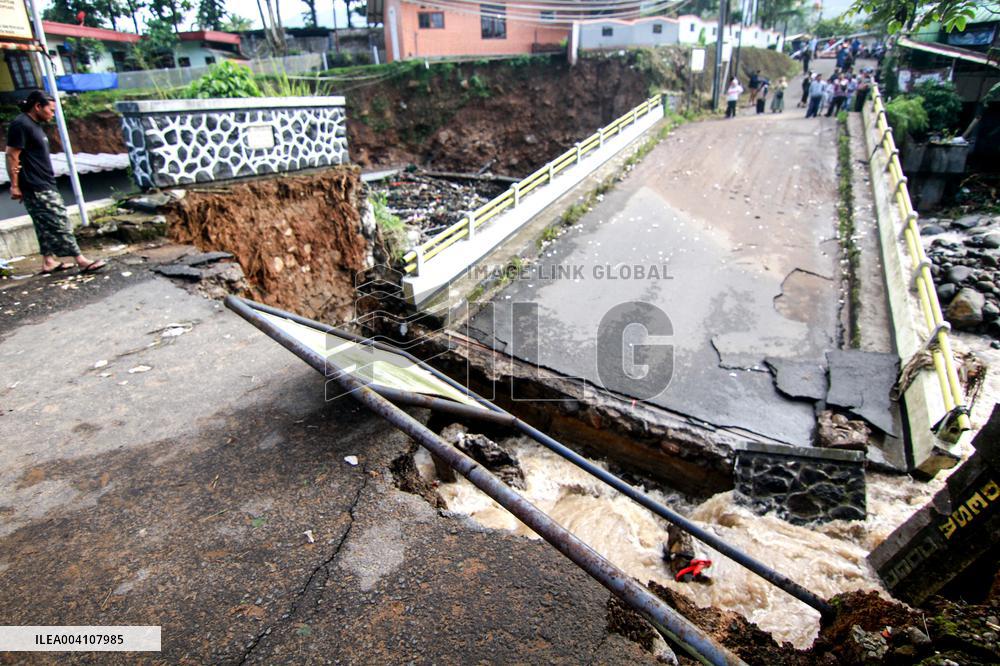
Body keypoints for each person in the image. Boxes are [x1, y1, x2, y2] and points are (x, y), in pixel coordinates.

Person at [6, 90, 105, 275]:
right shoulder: (21, 124)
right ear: (37, 106)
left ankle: (48, 261)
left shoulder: (34, 125)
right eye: (50, 110)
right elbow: (12, 154)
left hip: (43, 181)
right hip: (35, 184)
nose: (53, 114)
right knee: (59, 220)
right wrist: (15, 185)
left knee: (43, 223)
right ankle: (81, 259)